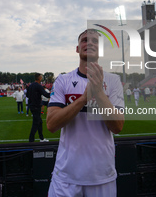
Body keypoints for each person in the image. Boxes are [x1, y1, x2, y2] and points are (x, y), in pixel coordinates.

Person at [47, 29, 125, 197]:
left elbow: (118, 126)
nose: (89, 43)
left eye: (95, 41)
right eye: (84, 40)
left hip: (102, 176)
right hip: (66, 178)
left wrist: (99, 93)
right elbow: (51, 124)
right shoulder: (63, 80)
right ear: (77, 48)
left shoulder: (114, 81)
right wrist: (83, 99)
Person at [27, 73, 50, 142]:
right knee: (36, 123)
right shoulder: (38, 86)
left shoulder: (30, 86)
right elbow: (46, 94)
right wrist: (54, 93)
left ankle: (41, 138)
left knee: (39, 122)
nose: (42, 78)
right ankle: (31, 140)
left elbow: (27, 95)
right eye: (41, 77)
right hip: (36, 106)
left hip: (32, 106)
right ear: (39, 78)